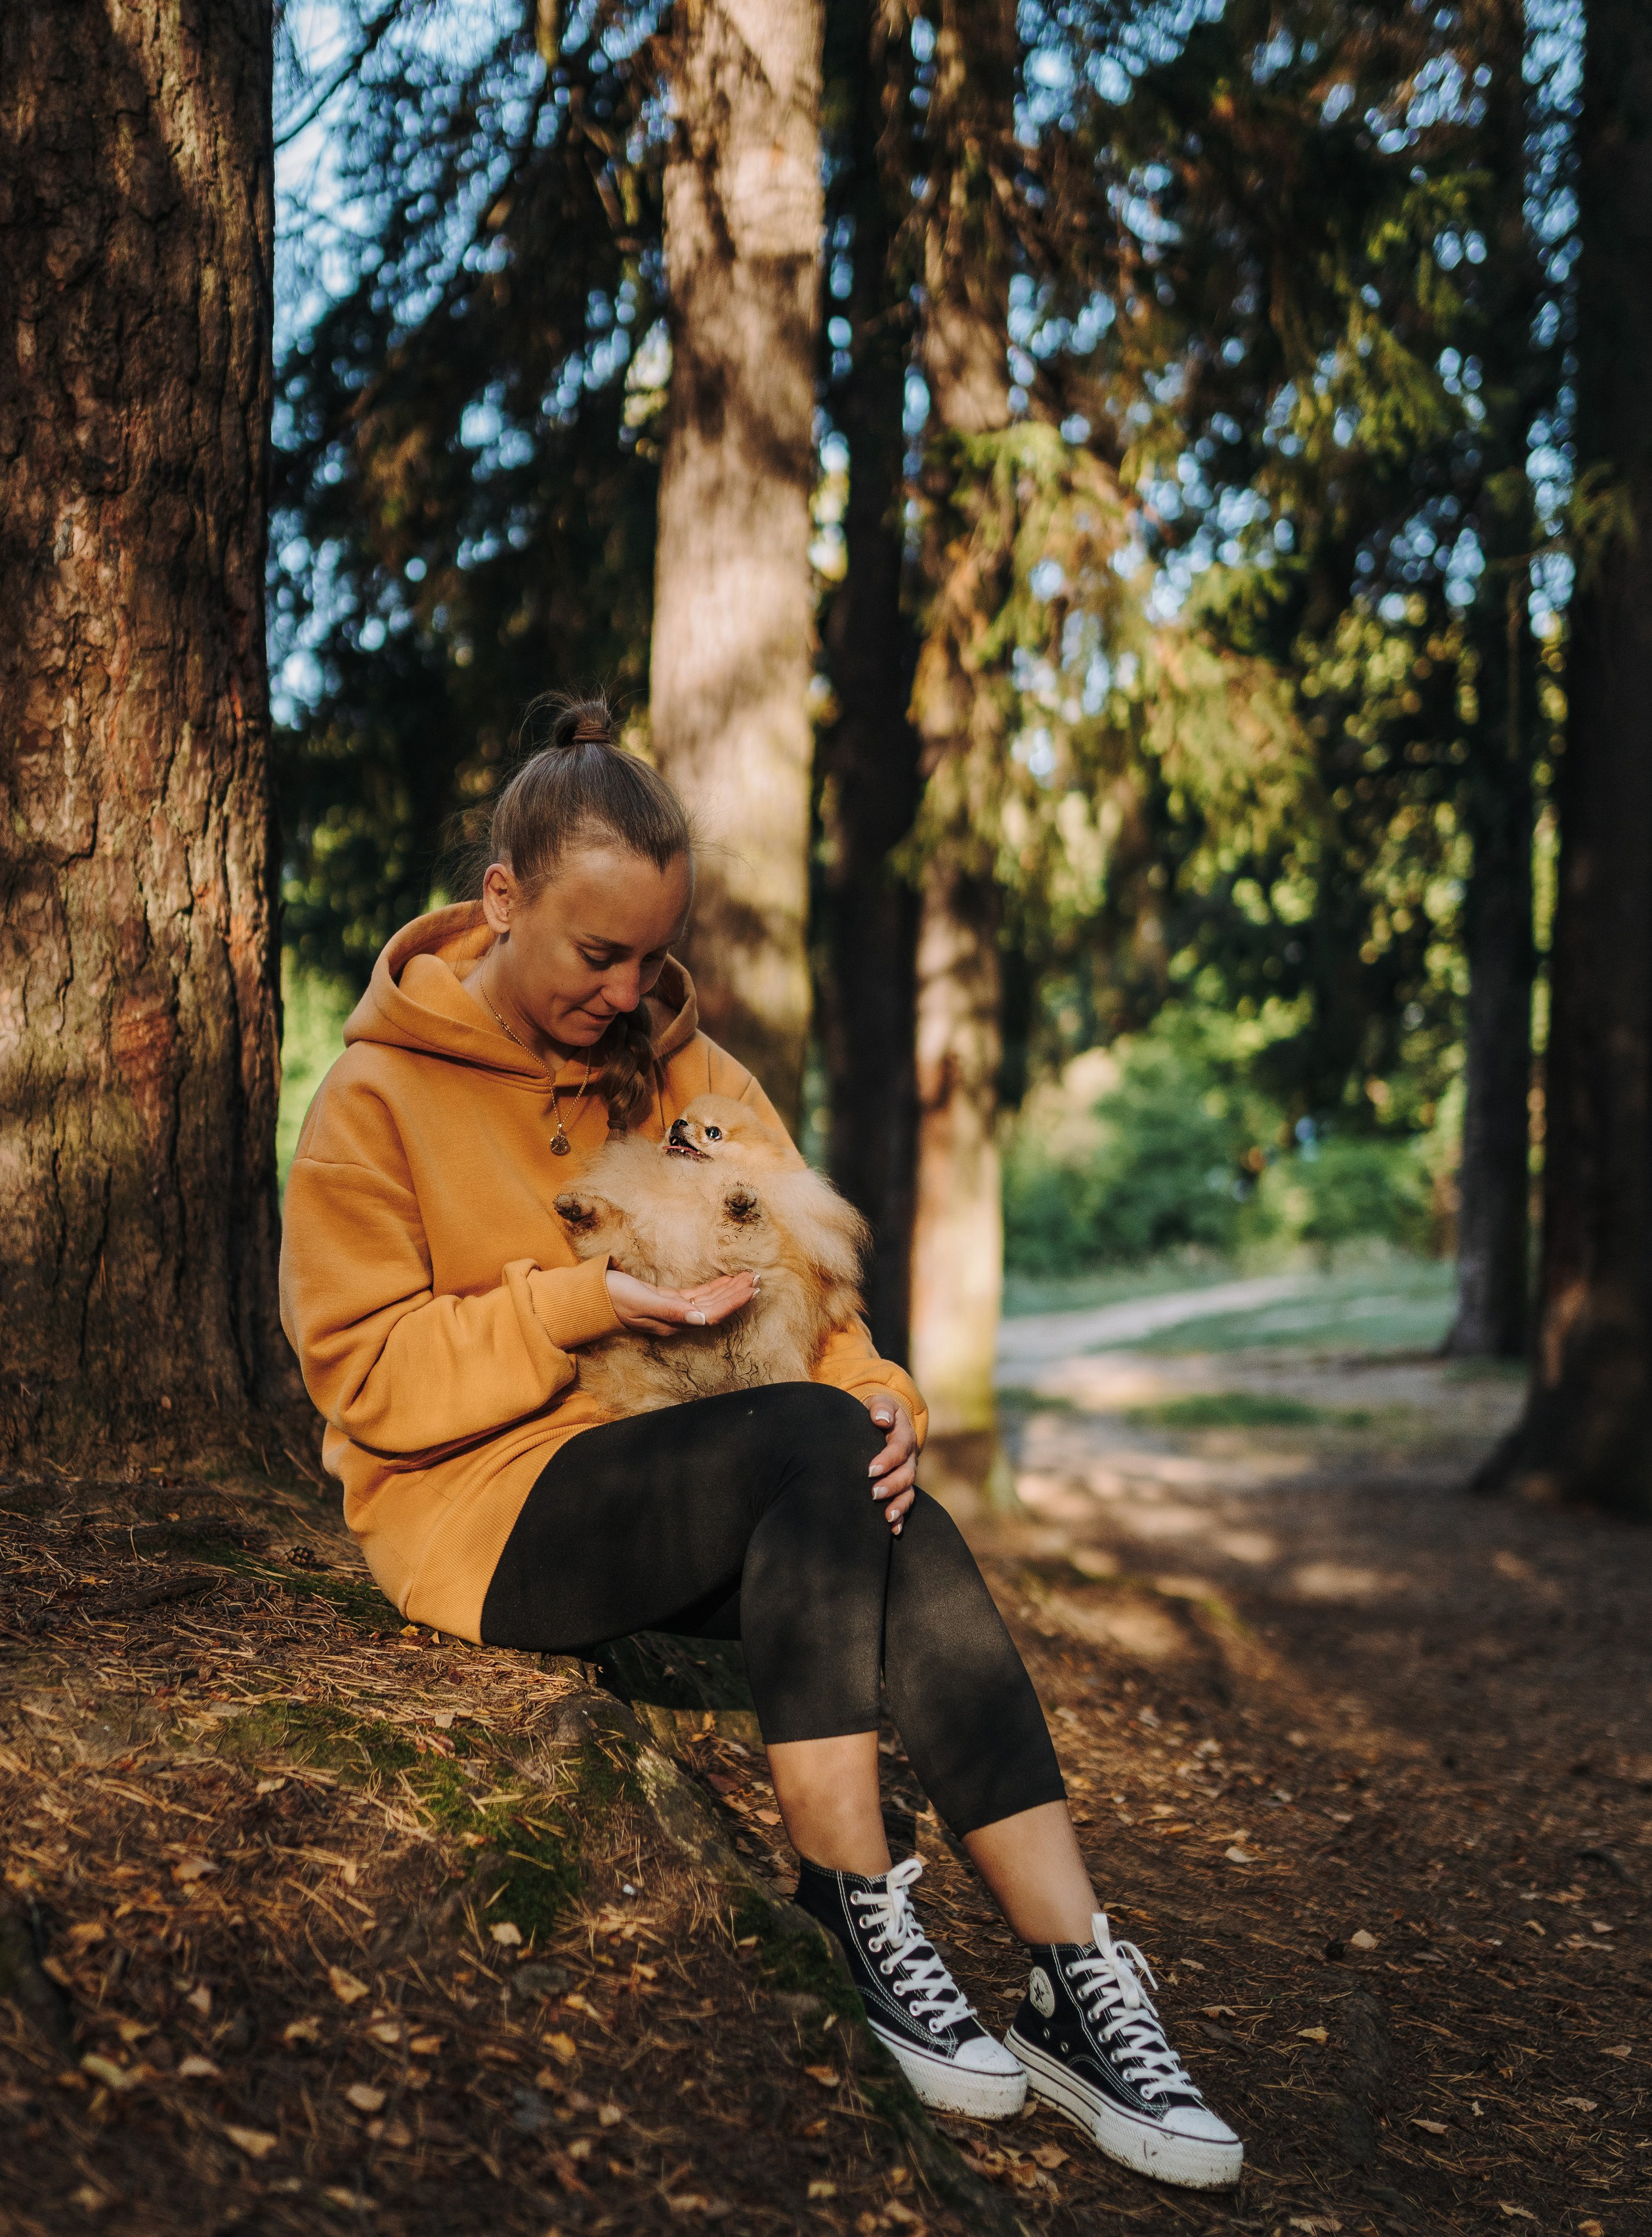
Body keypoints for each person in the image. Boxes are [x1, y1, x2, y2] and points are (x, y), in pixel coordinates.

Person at [280, 697, 1242, 2192]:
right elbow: (365, 1375)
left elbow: (819, 1295)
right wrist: (580, 1299)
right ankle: (850, 1906)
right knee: (806, 1445)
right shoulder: (375, 1095)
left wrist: (886, 1403)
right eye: (593, 953)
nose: (625, 989)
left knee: (872, 1482)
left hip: (708, 1470)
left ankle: (1073, 1974)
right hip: (486, 1510)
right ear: (499, 900)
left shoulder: (694, 1074)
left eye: (649, 957)